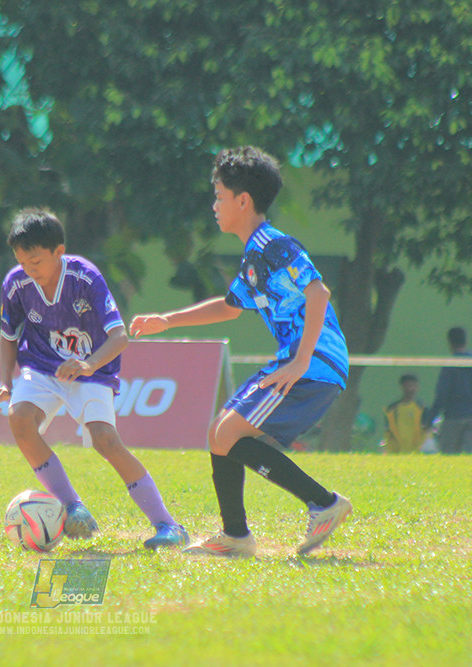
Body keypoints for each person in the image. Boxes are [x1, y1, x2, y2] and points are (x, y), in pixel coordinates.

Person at [130, 146, 352, 558]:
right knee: (220, 434)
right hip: (300, 361)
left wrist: (302, 360)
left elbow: (318, 292)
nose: (214, 205)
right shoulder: (254, 255)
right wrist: (167, 319)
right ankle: (235, 536)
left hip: (312, 363)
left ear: (242, 200)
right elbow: (230, 307)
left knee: (228, 433)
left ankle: (323, 504)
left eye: (218, 196)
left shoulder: (272, 244)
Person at [0, 208, 189, 550]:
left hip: (93, 369)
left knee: (105, 441)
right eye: (21, 262)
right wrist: (6, 382)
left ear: (58, 252)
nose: (28, 270)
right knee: (20, 419)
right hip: (40, 365)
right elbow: (8, 335)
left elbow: (119, 337)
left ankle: (168, 525)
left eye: (35, 261)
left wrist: (88, 364)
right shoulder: (16, 283)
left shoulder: (85, 277)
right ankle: (72, 507)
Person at [423, 326, 472, 454]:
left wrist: (430, 419)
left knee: (448, 456)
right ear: (466, 341)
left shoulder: (450, 365)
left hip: (452, 418)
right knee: (470, 456)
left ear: (450, 342)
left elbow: (441, 395)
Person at [383, 374, 426, 454]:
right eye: (409, 386)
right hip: (397, 452)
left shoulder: (422, 408)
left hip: (416, 453)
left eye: (414, 386)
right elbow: (388, 433)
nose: (411, 389)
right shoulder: (392, 409)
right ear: (402, 387)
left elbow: (425, 432)